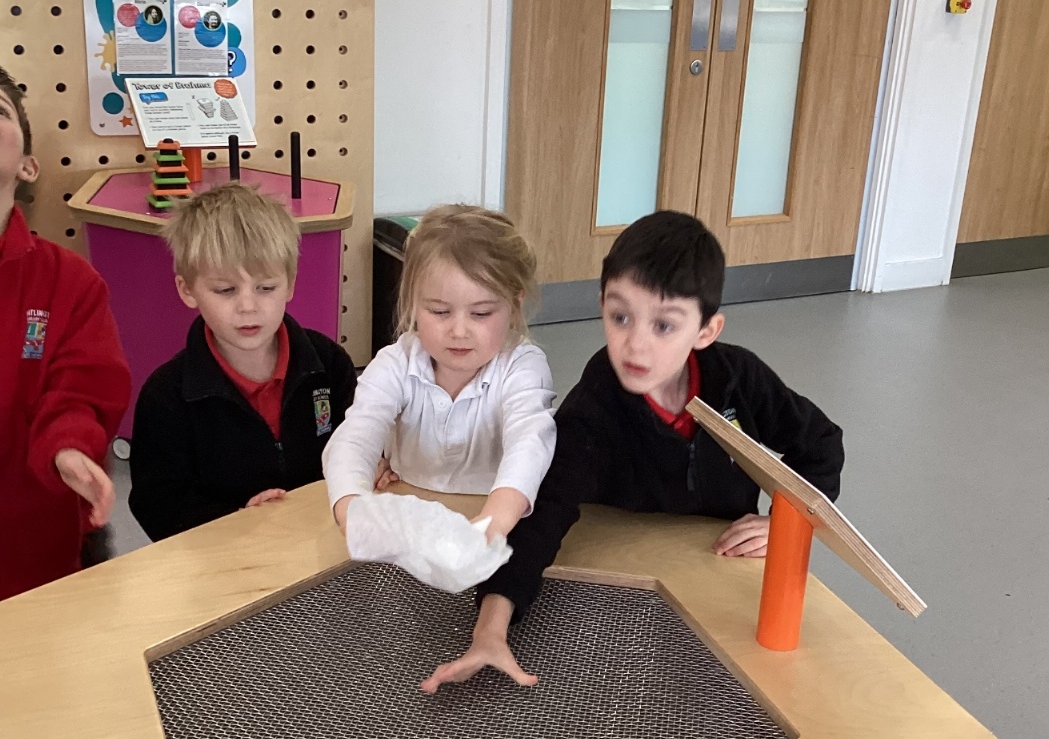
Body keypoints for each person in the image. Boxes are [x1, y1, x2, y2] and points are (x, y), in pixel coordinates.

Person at [420, 210, 844, 695]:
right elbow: (543, 515)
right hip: (620, 582)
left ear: (706, 330)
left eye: (664, 326)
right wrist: (490, 631)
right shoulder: (595, 406)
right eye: (620, 317)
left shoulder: (738, 379)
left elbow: (820, 443)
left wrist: (788, 522)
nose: (635, 345)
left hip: (720, 570)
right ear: (601, 305)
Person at [129, 181, 357, 541]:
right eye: (226, 290)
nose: (248, 306)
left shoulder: (329, 364)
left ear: (290, 284)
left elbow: (357, 450)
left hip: (328, 543)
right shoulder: (166, 396)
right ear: (187, 290)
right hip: (223, 560)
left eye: (266, 288)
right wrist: (236, 521)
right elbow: (157, 504)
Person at [322, 203, 555, 545]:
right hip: (409, 524)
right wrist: (352, 508)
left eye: (481, 313)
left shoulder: (522, 366)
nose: (458, 331)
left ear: (514, 305)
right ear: (413, 302)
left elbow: (530, 444)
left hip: (493, 525)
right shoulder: (395, 363)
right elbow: (355, 438)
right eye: (440, 311)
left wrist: (492, 523)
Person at [0, 66, 131, 601]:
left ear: (27, 166)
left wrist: (69, 448)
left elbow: (81, 391)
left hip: (39, 563)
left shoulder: (70, 283)